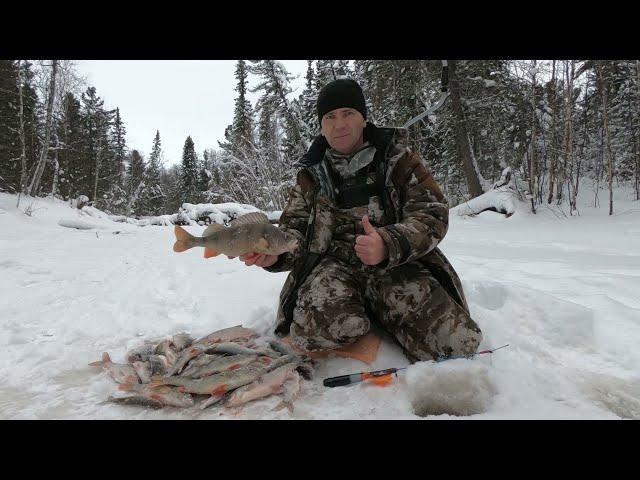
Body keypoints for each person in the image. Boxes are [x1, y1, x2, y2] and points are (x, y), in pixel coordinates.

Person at [236, 78, 482, 362]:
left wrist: (388, 243)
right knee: (312, 331)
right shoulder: (310, 175)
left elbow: (432, 213)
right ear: (321, 125)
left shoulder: (398, 159)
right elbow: (294, 232)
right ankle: (361, 312)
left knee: (455, 345)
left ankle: (385, 309)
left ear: (364, 119)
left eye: (348, 113)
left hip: (397, 264)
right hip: (331, 268)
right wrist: (273, 257)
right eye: (330, 117)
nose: (339, 124)